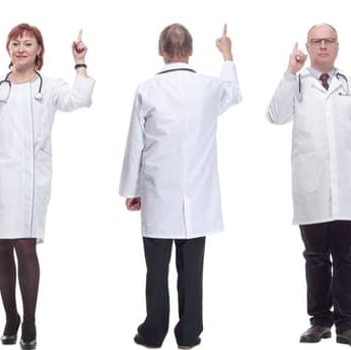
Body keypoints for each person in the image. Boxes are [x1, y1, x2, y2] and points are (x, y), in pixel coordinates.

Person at [0, 23, 95, 350]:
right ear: (8, 48)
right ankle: (11, 316)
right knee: (0, 246)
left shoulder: (48, 86)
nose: (21, 49)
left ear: (39, 50)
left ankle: (31, 320)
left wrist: (79, 62)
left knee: (26, 244)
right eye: (15, 43)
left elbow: (79, 99)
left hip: (31, 178)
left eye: (28, 44)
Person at [121, 22, 240, 350]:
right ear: (190, 51)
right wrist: (227, 54)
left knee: (156, 271)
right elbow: (234, 93)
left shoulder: (146, 89)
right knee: (192, 271)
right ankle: (189, 333)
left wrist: (133, 188)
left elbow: (136, 144)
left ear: (160, 50)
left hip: (158, 192)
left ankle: (153, 332)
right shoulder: (208, 87)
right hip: (198, 196)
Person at [266, 23, 351, 349]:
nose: (322, 47)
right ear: (307, 45)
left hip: (347, 187)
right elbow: (275, 116)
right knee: (315, 257)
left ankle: (348, 325)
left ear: (337, 45)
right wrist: (290, 72)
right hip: (311, 187)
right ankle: (319, 321)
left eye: (328, 41)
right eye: (316, 41)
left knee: (346, 257)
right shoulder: (297, 84)